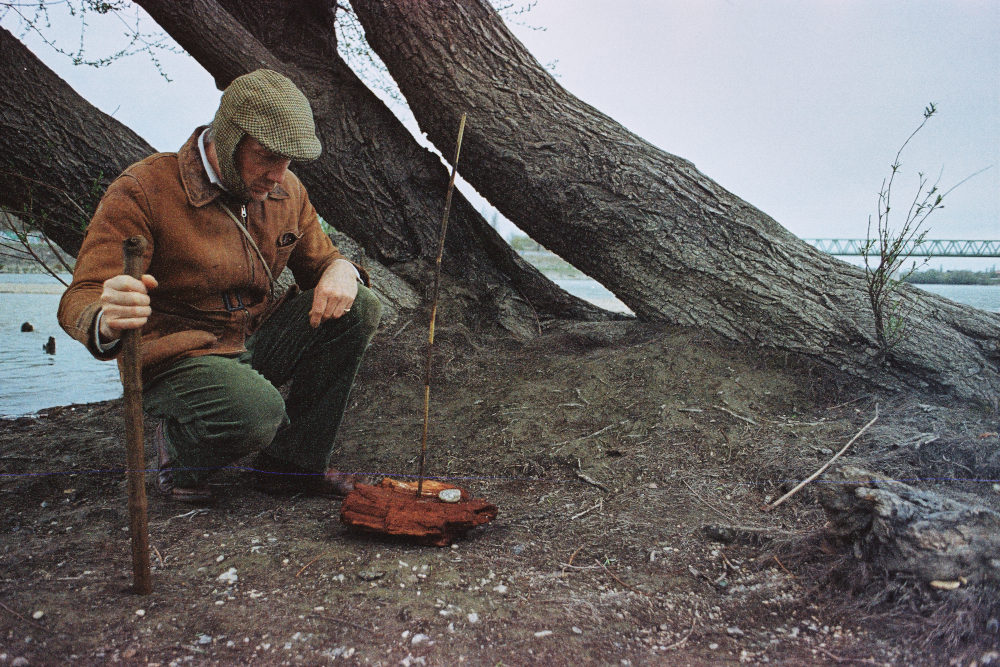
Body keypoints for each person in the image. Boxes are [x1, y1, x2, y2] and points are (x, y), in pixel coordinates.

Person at [58, 69, 382, 504]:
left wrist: (341, 268)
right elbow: (81, 295)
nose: (278, 175)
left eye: (289, 162)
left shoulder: (287, 190)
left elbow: (321, 262)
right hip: (180, 358)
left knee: (359, 306)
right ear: (229, 140)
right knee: (259, 413)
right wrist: (106, 317)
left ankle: (291, 467)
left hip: (251, 344)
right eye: (267, 157)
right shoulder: (143, 189)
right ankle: (177, 453)